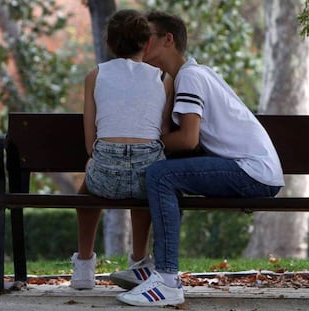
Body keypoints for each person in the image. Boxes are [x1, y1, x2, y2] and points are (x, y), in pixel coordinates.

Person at [116, 11, 285, 306]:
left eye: (147, 38)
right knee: (165, 176)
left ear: (168, 40)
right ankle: (155, 268)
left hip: (251, 171)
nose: (140, 44)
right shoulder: (186, 75)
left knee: (160, 175)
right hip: (250, 168)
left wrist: (145, 144)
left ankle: (167, 281)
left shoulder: (191, 77)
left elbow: (188, 139)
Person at [70, 9, 173, 290]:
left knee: (86, 192)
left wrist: (98, 159)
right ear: (147, 44)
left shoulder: (95, 75)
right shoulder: (163, 78)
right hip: (146, 172)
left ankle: (84, 266)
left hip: (105, 174)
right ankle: (139, 262)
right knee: (145, 185)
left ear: (109, 44)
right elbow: (160, 132)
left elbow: (90, 141)